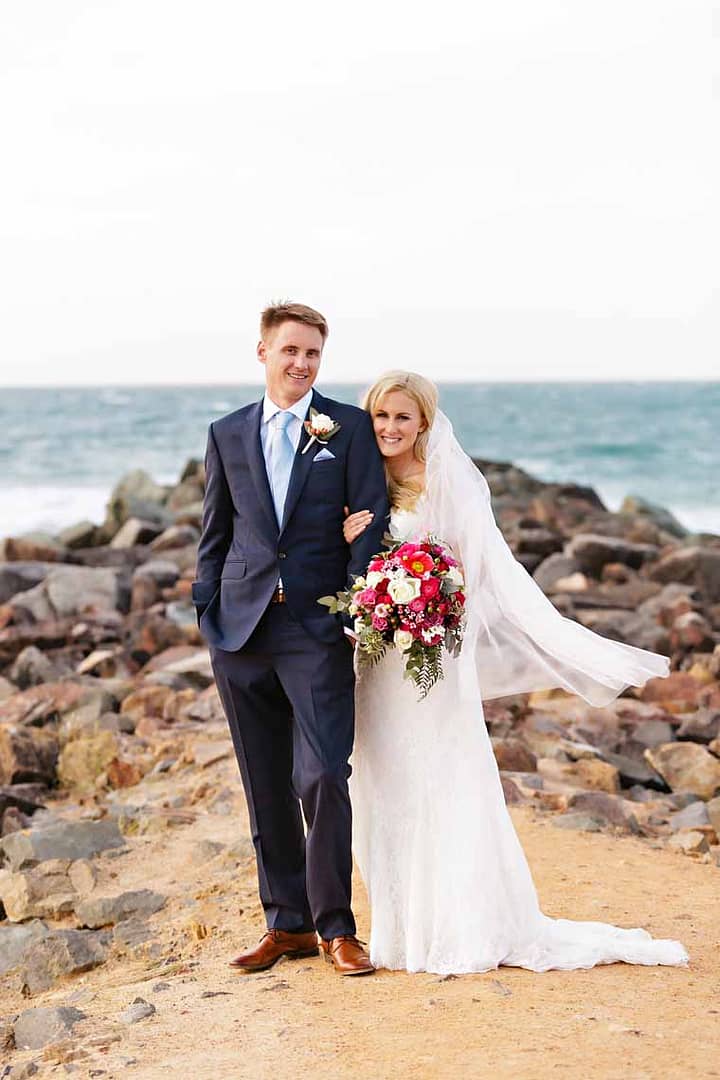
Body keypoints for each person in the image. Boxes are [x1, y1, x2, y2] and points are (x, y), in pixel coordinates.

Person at [343, 370, 689, 975]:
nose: (391, 428)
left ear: (424, 421)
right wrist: (361, 570)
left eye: (403, 417)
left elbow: (475, 576)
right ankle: (400, 929)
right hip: (376, 662)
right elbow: (347, 562)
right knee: (383, 781)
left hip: (431, 661)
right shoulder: (361, 477)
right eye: (381, 416)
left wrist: (425, 609)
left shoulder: (448, 484)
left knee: (442, 778)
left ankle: (459, 925)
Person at [192, 303, 389, 976]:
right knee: (265, 783)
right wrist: (206, 609)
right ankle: (287, 925)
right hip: (240, 630)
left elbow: (370, 520)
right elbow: (215, 533)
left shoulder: (349, 428)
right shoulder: (226, 433)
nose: (301, 363)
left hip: (315, 627)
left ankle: (338, 927)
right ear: (263, 353)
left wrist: (353, 603)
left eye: (312, 353)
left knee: (323, 774)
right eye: (291, 351)